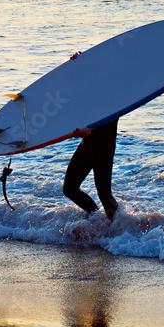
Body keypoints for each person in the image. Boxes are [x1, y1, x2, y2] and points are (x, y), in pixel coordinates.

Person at [61, 52, 119, 220]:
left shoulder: (114, 93)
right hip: (87, 145)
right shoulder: (90, 91)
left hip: (103, 148)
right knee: (69, 188)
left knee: (105, 194)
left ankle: (118, 234)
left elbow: (104, 120)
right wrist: (77, 64)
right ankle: (94, 219)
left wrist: (87, 130)